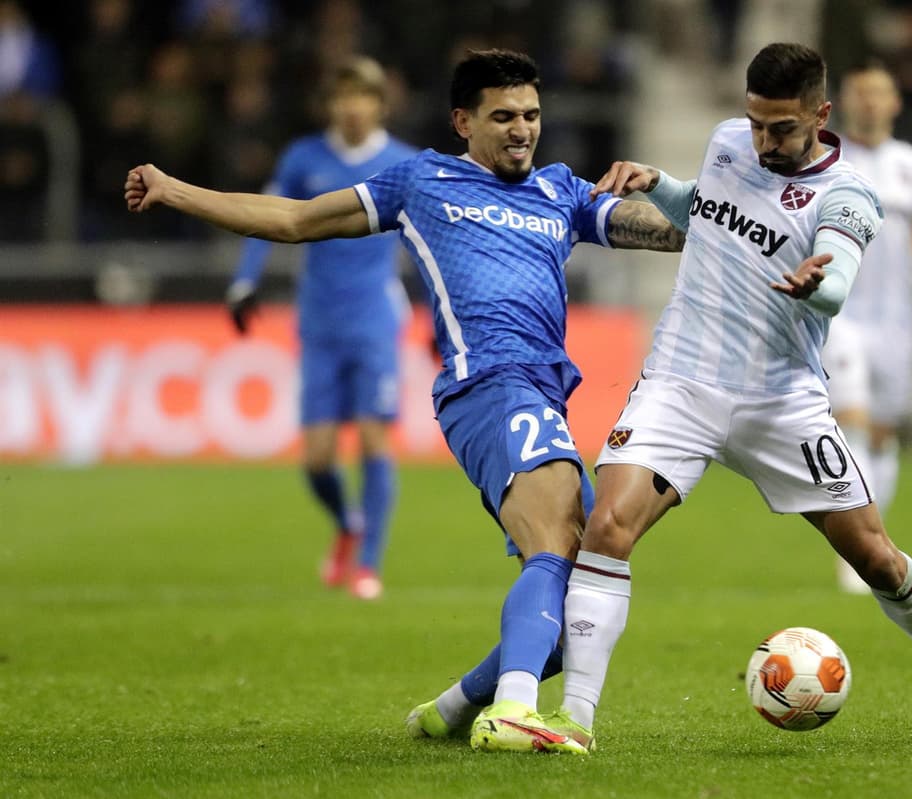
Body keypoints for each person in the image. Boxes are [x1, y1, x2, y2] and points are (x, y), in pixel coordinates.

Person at [125, 48, 684, 755]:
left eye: (532, 115)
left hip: (542, 392)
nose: (522, 130)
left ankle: (451, 710)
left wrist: (704, 198)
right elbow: (295, 220)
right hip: (488, 385)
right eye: (504, 116)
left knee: (578, 599)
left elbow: (674, 233)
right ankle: (513, 710)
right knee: (556, 545)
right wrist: (175, 190)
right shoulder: (422, 181)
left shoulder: (560, 192)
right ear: (463, 121)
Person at [547, 43, 912, 752]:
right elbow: (707, 211)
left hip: (781, 400)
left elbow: (838, 282)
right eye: (756, 123)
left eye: (783, 129)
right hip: (681, 381)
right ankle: (573, 721)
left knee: (875, 557)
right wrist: (659, 185)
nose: (765, 141)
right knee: (608, 527)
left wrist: (816, 286)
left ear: (821, 115)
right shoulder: (727, 142)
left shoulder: (849, 195)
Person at [224, 56, 418, 601]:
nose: (352, 107)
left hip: (375, 320)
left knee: (375, 438)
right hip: (319, 321)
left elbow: (427, 243)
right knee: (315, 458)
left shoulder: (402, 164)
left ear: (380, 105)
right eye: (342, 96)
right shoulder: (303, 158)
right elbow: (264, 217)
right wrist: (245, 281)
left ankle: (368, 564)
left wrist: (441, 315)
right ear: (330, 104)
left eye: (363, 96)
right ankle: (347, 524)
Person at [822, 59, 912, 594]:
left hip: (896, 318)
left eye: (879, 93)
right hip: (841, 313)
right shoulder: (828, 161)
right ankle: (855, 552)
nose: (871, 102)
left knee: (881, 434)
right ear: (844, 102)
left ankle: (874, 538)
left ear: (895, 103)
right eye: (861, 93)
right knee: (850, 421)